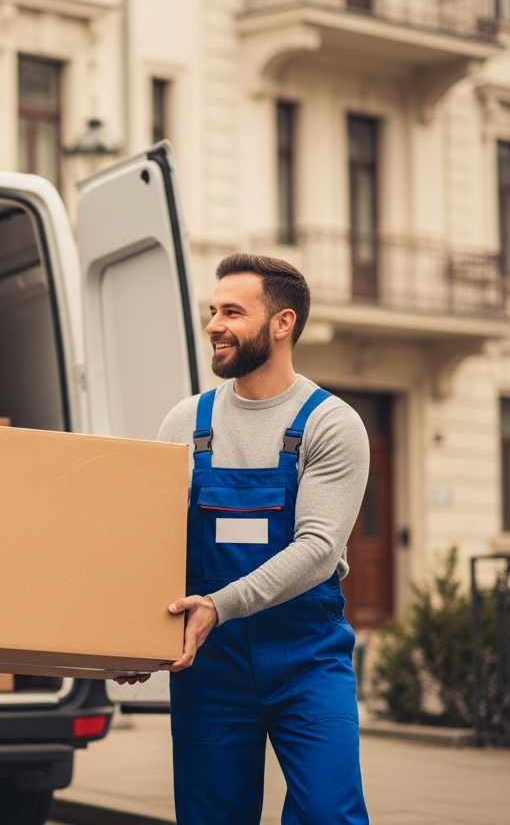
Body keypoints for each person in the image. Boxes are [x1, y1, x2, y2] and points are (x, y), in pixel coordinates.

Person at [124, 254, 370, 824]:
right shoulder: (186, 422)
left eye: (232, 312)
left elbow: (317, 551)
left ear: (282, 323)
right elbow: (153, 543)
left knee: (329, 813)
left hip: (305, 657)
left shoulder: (331, 423)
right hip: (210, 665)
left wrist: (220, 605)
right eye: (213, 311)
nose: (214, 325)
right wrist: (134, 635)